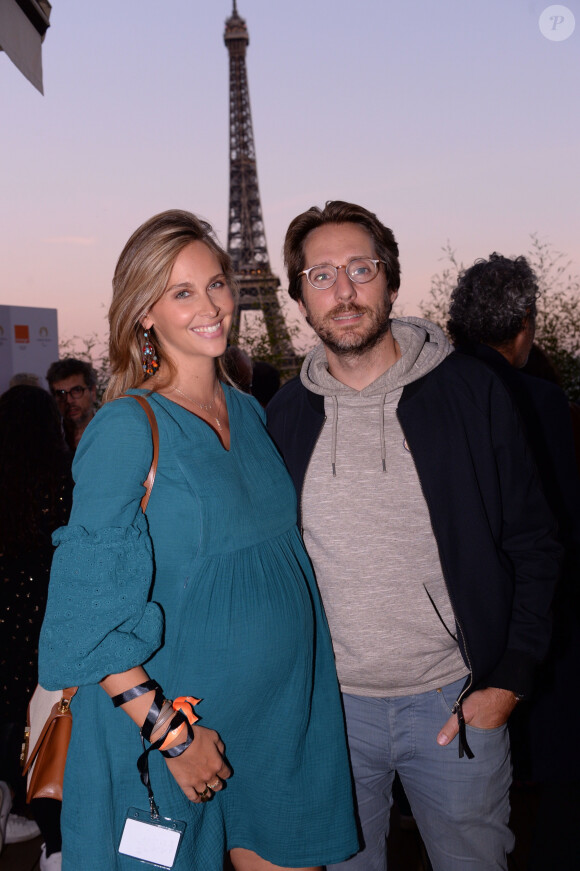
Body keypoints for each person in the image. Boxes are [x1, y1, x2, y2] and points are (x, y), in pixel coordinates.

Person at [38, 209, 358, 871]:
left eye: (216, 283)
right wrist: (172, 735)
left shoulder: (248, 410)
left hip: (280, 724)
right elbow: (84, 614)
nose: (210, 305)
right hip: (170, 728)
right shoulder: (127, 428)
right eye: (182, 292)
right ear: (144, 312)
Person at [266, 201, 561, 871]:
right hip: (332, 713)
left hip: (454, 701)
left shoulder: (473, 392)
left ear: (390, 280)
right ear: (301, 301)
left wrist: (509, 680)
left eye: (360, 268)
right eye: (320, 274)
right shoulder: (283, 417)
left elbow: (534, 542)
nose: (343, 290)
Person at [447, 253, 580, 870]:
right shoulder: (542, 402)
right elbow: (556, 525)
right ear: (524, 325)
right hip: (532, 620)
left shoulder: (434, 395)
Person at [0, 385, 73, 869]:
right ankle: (53, 842)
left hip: (4, 627)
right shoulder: (66, 483)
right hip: (47, 627)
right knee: (48, 732)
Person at [46, 358, 98, 451]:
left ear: (93, 392)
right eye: (61, 394)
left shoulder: (110, 432)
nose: (69, 400)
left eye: (76, 391)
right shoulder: (48, 439)